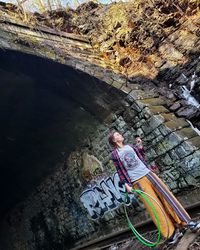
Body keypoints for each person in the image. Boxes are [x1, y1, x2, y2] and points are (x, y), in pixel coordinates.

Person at [108, 130, 200, 245]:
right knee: (154, 207)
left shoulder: (130, 146)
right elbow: (120, 171)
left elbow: (141, 157)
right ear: (113, 140)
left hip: (148, 174)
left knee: (167, 197)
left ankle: (187, 223)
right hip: (137, 181)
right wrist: (127, 185)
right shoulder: (115, 154)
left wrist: (140, 146)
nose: (120, 134)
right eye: (117, 134)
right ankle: (171, 234)